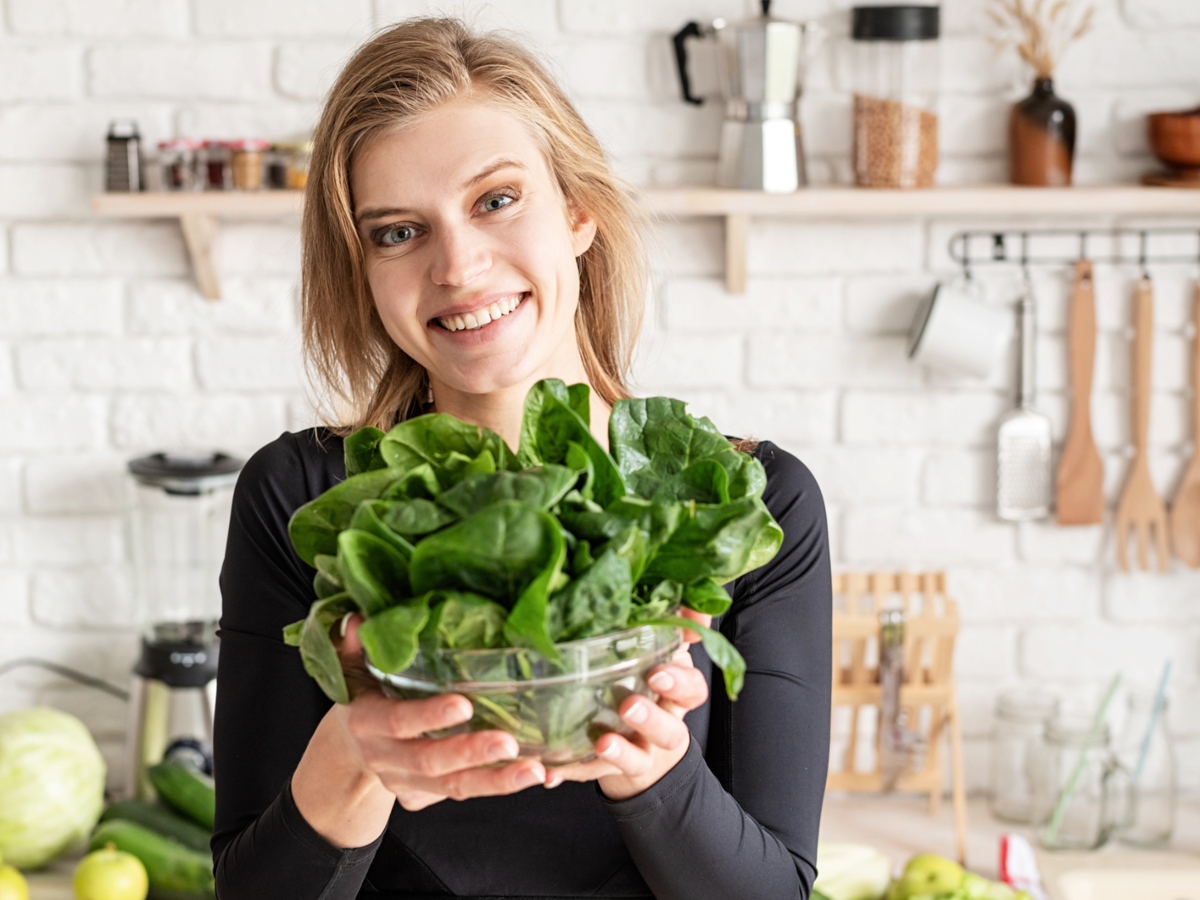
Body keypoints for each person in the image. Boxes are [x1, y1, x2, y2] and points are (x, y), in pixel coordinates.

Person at [212, 17, 831, 900]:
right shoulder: (302, 498)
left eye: (496, 200)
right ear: (361, 271)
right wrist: (356, 752)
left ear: (578, 210)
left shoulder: (742, 504)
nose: (458, 266)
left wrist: (655, 771)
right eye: (396, 232)